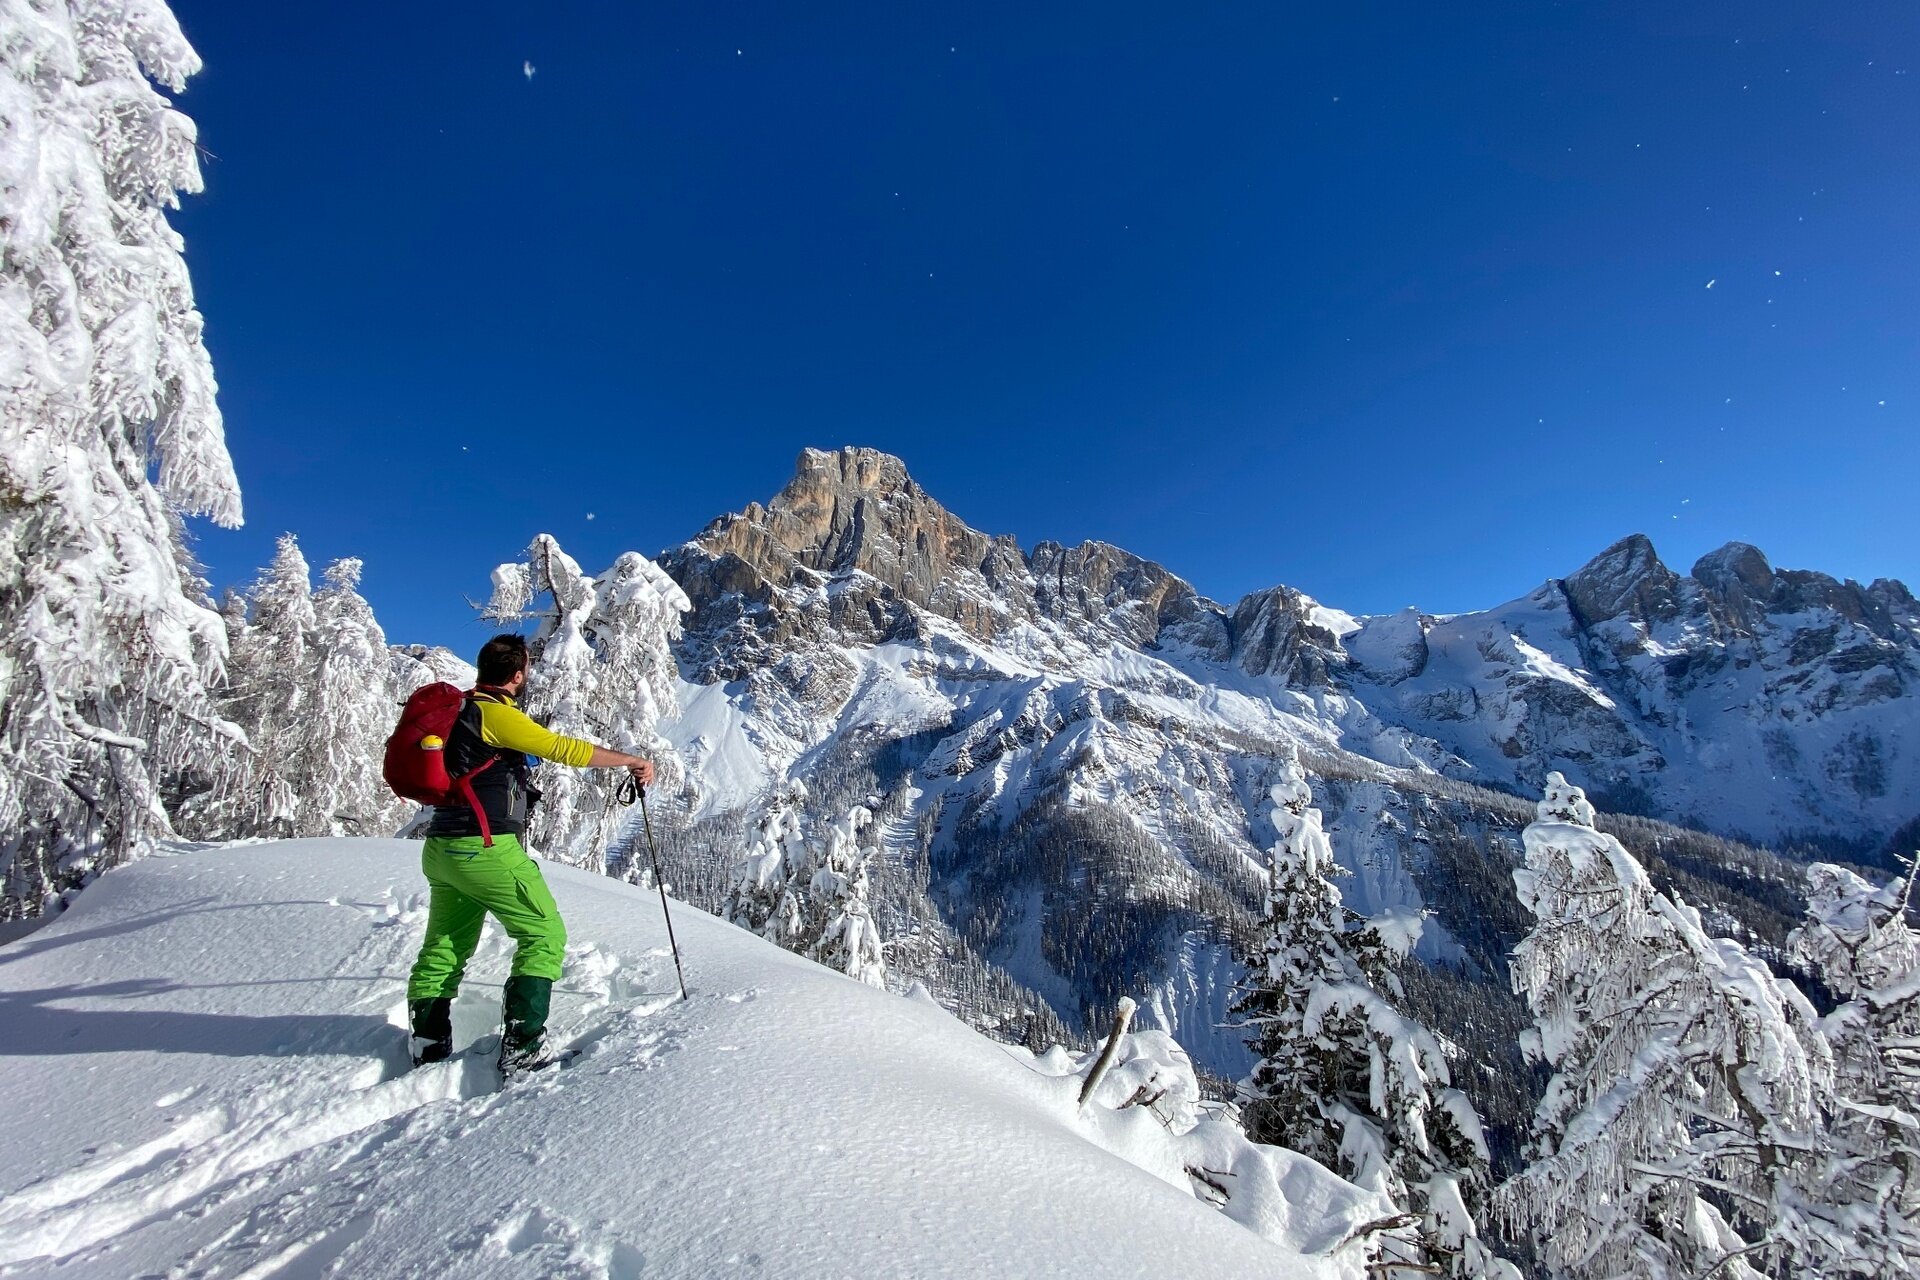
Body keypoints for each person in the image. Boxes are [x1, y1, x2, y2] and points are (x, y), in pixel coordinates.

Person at [405, 634, 654, 1075]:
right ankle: (522, 1050)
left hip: (442, 847)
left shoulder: (460, 714)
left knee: (444, 945)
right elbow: (564, 749)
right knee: (543, 935)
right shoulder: (494, 715)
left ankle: (427, 1045)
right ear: (518, 675)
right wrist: (629, 760)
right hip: (485, 849)